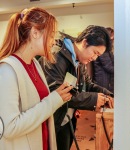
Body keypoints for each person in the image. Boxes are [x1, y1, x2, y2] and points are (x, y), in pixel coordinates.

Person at [0, 7, 73, 150]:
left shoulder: (35, 64)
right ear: (35, 33)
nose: (53, 41)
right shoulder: (7, 70)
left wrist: (57, 97)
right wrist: (53, 100)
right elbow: (9, 127)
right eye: (51, 35)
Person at [38, 25, 114, 150]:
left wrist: (107, 94)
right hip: (52, 120)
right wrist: (94, 100)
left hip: (66, 117)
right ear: (85, 43)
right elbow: (55, 92)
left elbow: (87, 85)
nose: (94, 58)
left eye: (98, 56)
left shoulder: (78, 60)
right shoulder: (57, 55)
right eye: (95, 53)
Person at [92, 27, 114, 93]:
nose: (113, 38)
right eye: (112, 36)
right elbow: (108, 67)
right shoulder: (102, 48)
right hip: (102, 80)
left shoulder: (106, 48)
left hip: (106, 79)